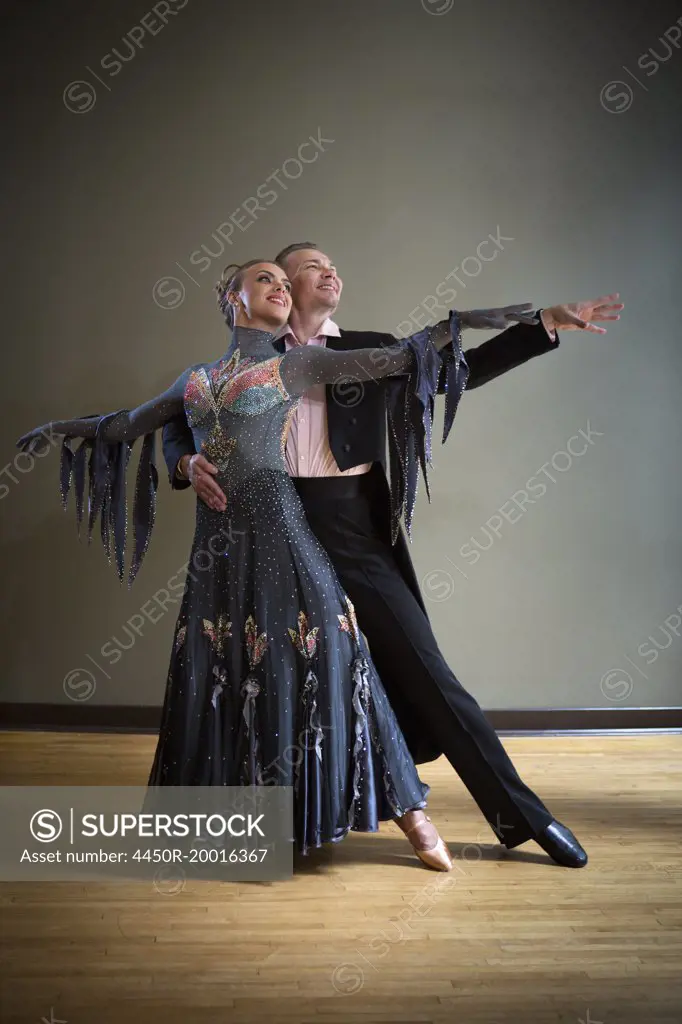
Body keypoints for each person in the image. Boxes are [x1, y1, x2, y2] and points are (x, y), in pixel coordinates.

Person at [163, 242, 624, 869]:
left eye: (333, 265)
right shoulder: (238, 362)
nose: (329, 271)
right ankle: (277, 820)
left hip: (347, 522)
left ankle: (526, 818)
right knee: (262, 676)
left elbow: (455, 371)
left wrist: (541, 326)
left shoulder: (368, 347)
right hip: (264, 531)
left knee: (428, 674)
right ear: (280, 286)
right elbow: (173, 419)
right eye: (308, 266)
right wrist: (185, 462)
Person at [16, 259, 482, 871]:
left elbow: (396, 360)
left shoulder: (297, 363)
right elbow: (127, 426)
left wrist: (462, 323)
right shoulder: (195, 379)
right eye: (268, 280)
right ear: (232, 298)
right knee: (221, 667)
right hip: (220, 552)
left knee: (337, 659)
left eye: (285, 285)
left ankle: (411, 815)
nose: (282, 289)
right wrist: (59, 429)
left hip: (284, 535)